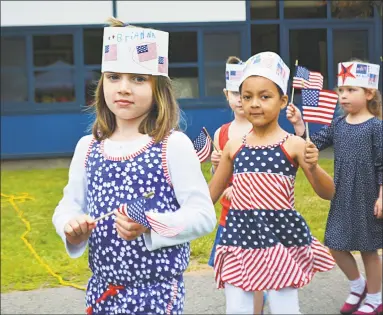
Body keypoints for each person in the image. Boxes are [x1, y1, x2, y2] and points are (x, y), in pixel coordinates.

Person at [52, 17, 216, 315]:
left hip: (156, 294)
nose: (124, 88)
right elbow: (68, 206)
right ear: (102, 84)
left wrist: (151, 224)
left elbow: (204, 216)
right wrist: (70, 227)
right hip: (102, 291)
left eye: (138, 79)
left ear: (158, 88)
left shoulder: (172, 145)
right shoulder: (88, 147)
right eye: (114, 77)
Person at [209, 51, 336, 314]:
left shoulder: (294, 144)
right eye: (247, 97)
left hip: (281, 238)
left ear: (282, 100)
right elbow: (209, 195)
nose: (254, 104)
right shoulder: (234, 146)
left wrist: (313, 166)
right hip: (239, 237)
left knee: (284, 308)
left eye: (264, 96)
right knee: (237, 309)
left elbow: (327, 193)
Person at [286, 59, 382, 315]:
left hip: (368, 195)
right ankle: (357, 285)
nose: (343, 96)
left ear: (369, 93)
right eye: (341, 90)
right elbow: (312, 143)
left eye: (351, 90)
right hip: (341, 194)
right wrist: (298, 124)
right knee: (335, 243)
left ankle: (375, 298)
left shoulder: (377, 127)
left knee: (368, 249)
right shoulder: (338, 125)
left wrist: (382, 197)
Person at [208, 56, 266, 314]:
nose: (240, 98)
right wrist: (215, 164)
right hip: (228, 216)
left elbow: (268, 174)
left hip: (257, 215)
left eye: (245, 93)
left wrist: (241, 187)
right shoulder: (222, 132)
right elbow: (218, 179)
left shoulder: (263, 130)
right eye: (235, 93)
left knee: (256, 274)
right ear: (227, 95)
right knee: (233, 273)